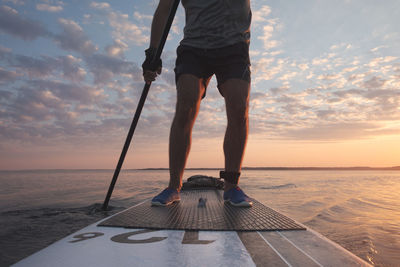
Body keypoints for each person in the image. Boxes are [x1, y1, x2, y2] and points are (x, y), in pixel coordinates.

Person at [142, 0, 253, 207]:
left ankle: (231, 187)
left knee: (239, 109)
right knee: (185, 106)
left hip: (234, 47)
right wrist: (152, 53)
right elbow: (164, 9)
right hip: (194, 47)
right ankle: (174, 187)